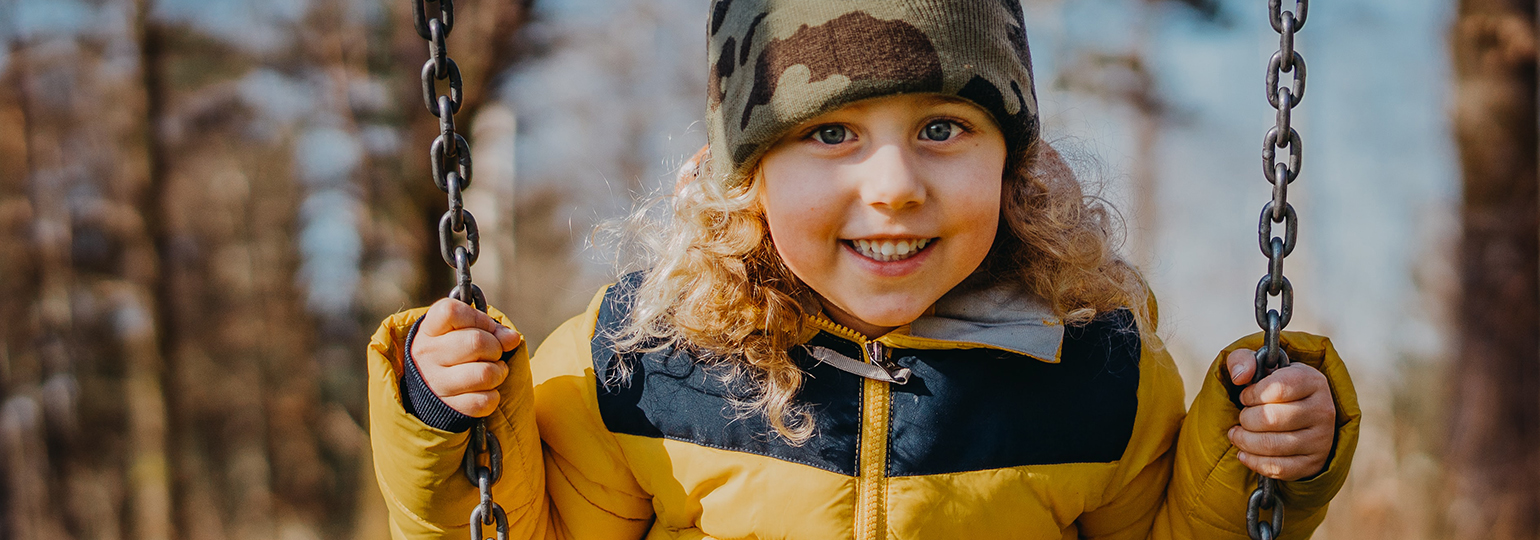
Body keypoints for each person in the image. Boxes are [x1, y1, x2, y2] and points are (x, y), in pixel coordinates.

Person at [366, 1, 1360, 538]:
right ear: (744, 179)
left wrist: (1267, 452)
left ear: (1014, 167)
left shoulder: (1096, 371)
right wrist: (443, 414)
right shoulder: (640, 359)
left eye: (942, 128)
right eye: (831, 133)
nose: (892, 187)